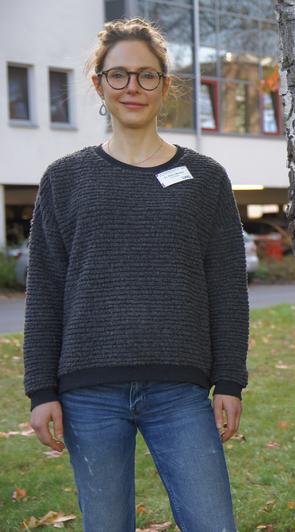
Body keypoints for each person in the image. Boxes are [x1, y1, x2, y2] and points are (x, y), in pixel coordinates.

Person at [23, 18, 248, 532]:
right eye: (119, 75)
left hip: (180, 392)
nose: (132, 87)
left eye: (147, 76)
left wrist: (230, 380)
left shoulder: (205, 178)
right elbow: (44, 295)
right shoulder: (64, 179)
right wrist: (41, 391)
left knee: (213, 523)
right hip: (87, 395)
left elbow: (227, 289)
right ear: (98, 83)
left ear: (165, 86)